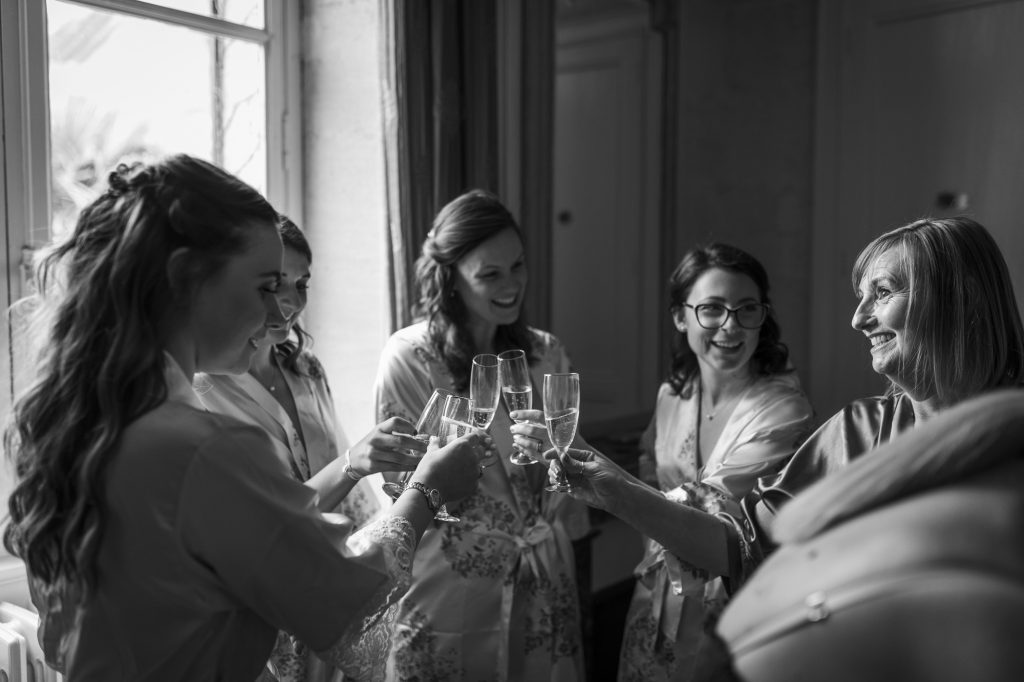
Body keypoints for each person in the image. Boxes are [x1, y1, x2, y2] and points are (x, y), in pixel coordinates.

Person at [3, 155, 489, 681]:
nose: (281, 314)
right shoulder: (204, 447)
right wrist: (428, 490)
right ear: (185, 279)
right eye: (264, 286)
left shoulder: (79, 425)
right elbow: (342, 604)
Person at [553, 216, 1024, 616]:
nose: (858, 319)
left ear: (956, 300)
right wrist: (615, 491)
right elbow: (744, 547)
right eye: (860, 297)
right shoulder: (856, 432)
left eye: (881, 293)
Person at [373, 189, 588, 680]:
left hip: (541, 575)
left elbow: (569, 468)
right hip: (449, 582)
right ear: (451, 279)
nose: (512, 284)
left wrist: (558, 464)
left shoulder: (545, 354)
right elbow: (401, 484)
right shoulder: (410, 359)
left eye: (518, 266)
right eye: (490, 274)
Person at [197, 216, 413, 681]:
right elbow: (258, 524)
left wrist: (406, 502)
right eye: (275, 285)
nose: (292, 302)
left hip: (330, 593)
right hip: (263, 615)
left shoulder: (307, 369)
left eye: (302, 283)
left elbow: (356, 509)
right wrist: (353, 464)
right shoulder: (201, 392)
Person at [616, 244, 814, 681]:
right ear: (680, 317)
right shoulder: (673, 395)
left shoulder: (784, 409)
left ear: (763, 316)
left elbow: (711, 503)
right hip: (656, 599)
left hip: (736, 610)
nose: (731, 326)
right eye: (712, 309)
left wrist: (605, 481)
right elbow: (651, 466)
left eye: (747, 309)